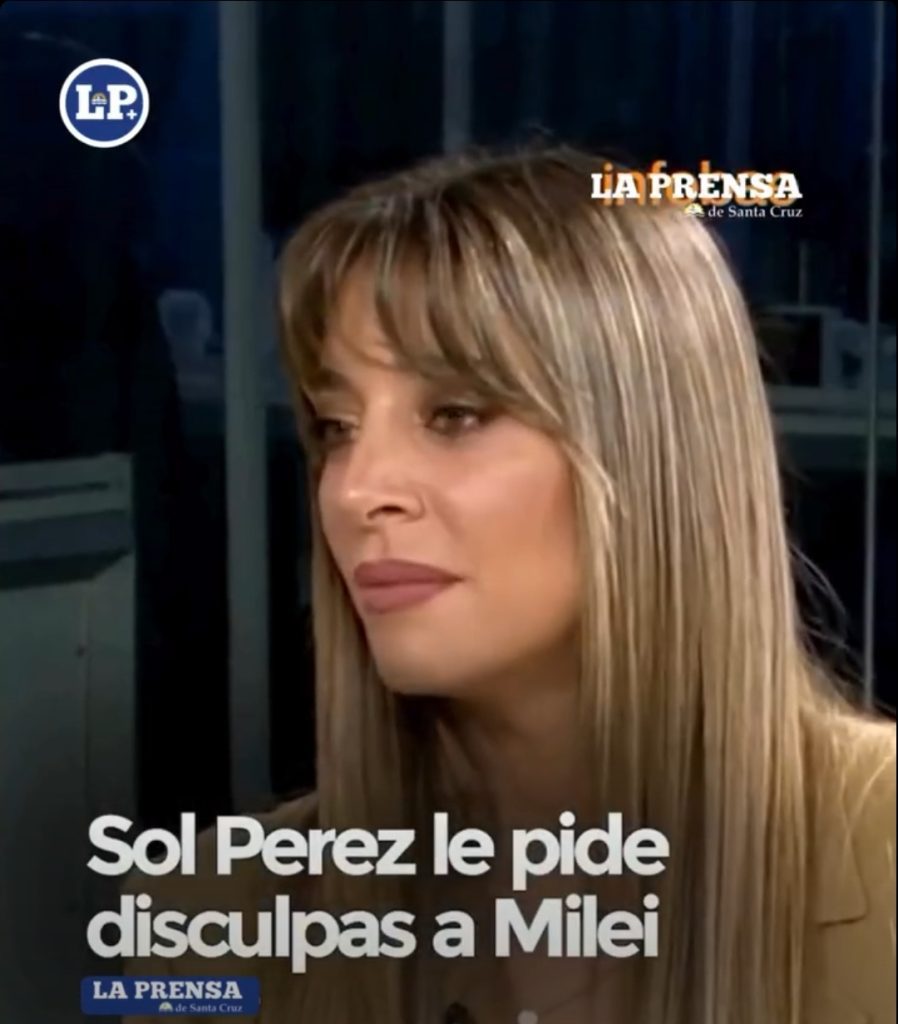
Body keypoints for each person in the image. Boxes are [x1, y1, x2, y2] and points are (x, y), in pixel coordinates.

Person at [123, 144, 895, 1024]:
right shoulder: (207, 919)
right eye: (335, 427)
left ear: (646, 457)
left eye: (455, 415)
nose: (357, 489)